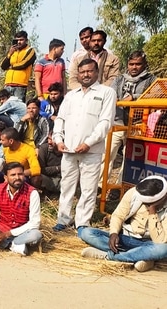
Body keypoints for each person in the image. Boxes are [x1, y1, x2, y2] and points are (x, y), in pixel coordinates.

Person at [52, 58, 117, 232]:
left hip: (91, 150)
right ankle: (63, 219)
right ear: (78, 74)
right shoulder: (71, 95)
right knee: (66, 186)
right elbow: (60, 120)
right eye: (82, 72)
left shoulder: (106, 92)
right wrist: (58, 140)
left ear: (96, 72)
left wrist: (88, 143)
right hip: (69, 150)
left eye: (89, 71)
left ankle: (82, 223)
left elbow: (106, 122)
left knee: (88, 189)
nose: (86, 74)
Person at [79, 176, 167, 272]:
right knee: (86, 232)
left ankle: (111, 256)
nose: (145, 204)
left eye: (148, 203)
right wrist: (114, 233)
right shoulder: (134, 193)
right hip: (126, 237)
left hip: (149, 244)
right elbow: (118, 216)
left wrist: (152, 212)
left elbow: (160, 241)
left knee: (162, 250)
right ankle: (142, 257)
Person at [101, 51, 157, 201]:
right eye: (131, 64)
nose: (134, 67)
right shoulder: (119, 79)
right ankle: (100, 186)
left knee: (129, 158)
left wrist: (134, 98)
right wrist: (117, 99)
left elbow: (155, 95)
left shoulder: (151, 79)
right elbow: (110, 93)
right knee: (105, 155)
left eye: (138, 64)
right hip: (117, 123)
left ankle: (119, 188)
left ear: (144, 64)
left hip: (139, 125)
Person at [0, 30, 36, 101]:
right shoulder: (13, 51)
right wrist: (9, 54)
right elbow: (3, 66)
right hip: (8, 84)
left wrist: (11, 67)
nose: (19, 42)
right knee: (6, 108)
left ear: (26, 40)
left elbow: (24, 64)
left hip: (20, 85)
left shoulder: (30, 50)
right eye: (17, 40)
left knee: (18, 108)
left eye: (21, 40)